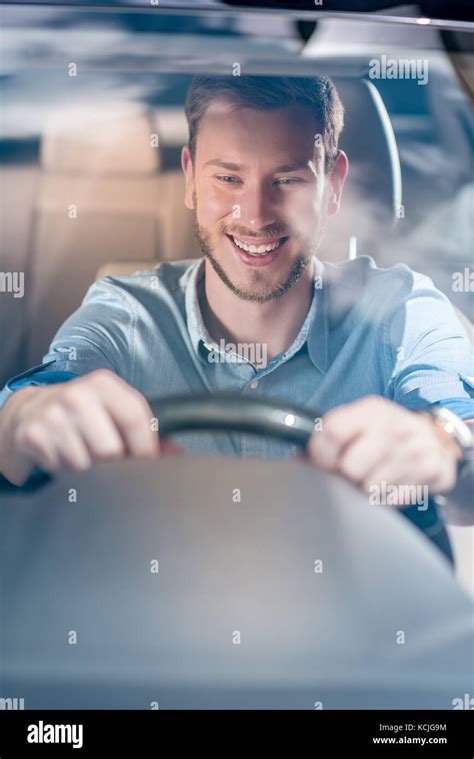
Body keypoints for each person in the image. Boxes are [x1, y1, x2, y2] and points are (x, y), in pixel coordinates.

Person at [0, 75, 472, 522]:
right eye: (228, 179)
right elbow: (39, 400)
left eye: (288, 180)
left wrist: (443, 440)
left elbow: (463, 419)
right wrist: (27, 416)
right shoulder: (124, 315)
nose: (255, 216)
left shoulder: (401, 310)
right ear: (190, 178)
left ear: (333, 187)